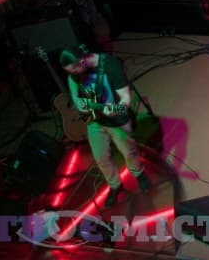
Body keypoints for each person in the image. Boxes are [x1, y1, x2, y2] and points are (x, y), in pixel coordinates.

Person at [60, 45, 150, 208]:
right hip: (94, 121)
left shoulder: (111, 66)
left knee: (128, 151)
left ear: (82, 61)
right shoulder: (74, 75)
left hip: (116, 119)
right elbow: (75, 93)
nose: (73, 75)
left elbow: (125, 99)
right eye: (70, 72)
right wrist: (80, 104)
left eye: (74, 71)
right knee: (100, 158)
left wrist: (115, 110)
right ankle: (115, 185)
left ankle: (139, 173)